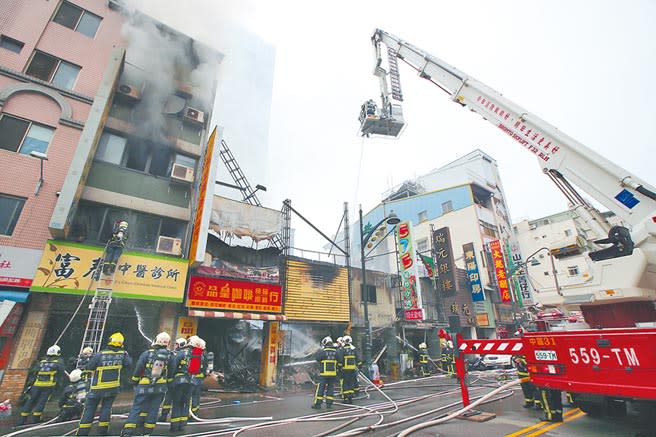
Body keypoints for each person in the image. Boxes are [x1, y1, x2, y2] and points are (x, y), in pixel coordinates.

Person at [77, 332, 132, 436]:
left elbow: (90, 367)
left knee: (90, 410)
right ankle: (102, 432)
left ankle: (83, 433)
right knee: (106, 409)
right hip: (113, 388)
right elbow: (129, 364)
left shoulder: (100, 354)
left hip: (97, 389)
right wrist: (125, 352)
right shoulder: (122, 355)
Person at [121, 332, 174, 437]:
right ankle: (147, 432)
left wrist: (134, 381)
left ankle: (128, 432)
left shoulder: (146, 354)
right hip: (160, 387)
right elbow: (171, 373)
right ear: (167, 343)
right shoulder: (170, 356)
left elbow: (138, 369)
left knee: (137, 407)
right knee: (154, 409)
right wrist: (169, 384)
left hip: (144, 385)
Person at [16, 345, 65, 426]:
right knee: (41, 402)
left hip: (36, 385)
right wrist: (58, 385)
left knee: (30, 401)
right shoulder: (59, 362)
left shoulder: (42, 361)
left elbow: (34, 372)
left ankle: (21, 420)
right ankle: (36, 419)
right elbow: (61, 373)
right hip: (48, 386)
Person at [159, 337, 187, 423]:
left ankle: (164, 415)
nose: (175, 346)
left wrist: (169, 379)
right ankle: (182, 421)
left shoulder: (176, 354)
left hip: (175, 380)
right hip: (186, 381)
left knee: (169, 397)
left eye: (177, 344)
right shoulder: (189, 354)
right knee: (181, 401)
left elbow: (172, 368)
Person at [169, 337, 193, 432]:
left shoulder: (179, 354)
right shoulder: (195, 355)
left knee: (177, 403)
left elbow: (173, 367)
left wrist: (170, 380)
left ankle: (174, 427)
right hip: (189, 382)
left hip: (179, 382)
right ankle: (182, 425)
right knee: (185, 403)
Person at [312, 336, 338, 409]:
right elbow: (340, 360)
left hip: (324, 374)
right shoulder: (336, 352)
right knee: (331, 388)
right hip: (333, 374)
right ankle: (329, 404)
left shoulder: (322, 351)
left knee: (321, 388)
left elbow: (317, 359)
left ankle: (318, 404)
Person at [189, 336, 209, 419]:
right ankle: (195, 412)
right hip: (199, 378)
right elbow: (205, 367)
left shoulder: (195, 353)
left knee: (190, 396)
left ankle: (190, 413)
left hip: (193, 378)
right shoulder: (203, 354)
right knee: (196, 396)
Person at [340, 336, 361, 404]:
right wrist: (359, 367)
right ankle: (351, 398)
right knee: (351, 383)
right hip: (352, 370)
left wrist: (339, 368)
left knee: (345, 384)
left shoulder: (342, 350)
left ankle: (346, 398)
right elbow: (358, 359)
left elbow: (340, 360)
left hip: (345, 370)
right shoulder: (354, 349)